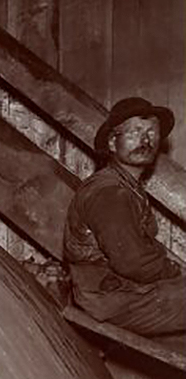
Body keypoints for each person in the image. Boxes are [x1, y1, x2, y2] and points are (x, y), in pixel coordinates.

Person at [64, 96, 185, 335]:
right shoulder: (110, 193)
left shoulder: (126, 186)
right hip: (113, 301)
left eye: (152, 132)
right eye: (134, 132)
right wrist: (177, 271)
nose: (144, 139)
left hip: (123, 293)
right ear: (112, 142)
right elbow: (134, 263)